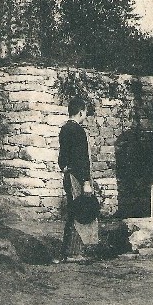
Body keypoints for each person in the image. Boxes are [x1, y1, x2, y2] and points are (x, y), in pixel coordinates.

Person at [53, 96, 97, 263]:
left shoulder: (64, 129)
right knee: (80, 211)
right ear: (80, 112)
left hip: (68, 175)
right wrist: (86, 181)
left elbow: (62, 157)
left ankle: (68, 251)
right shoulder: (78, 131)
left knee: (73, 210)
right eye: (85, 112)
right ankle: (74, 252)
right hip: (77, 177)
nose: (85, 115)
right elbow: (82, 159)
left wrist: (63, 167)